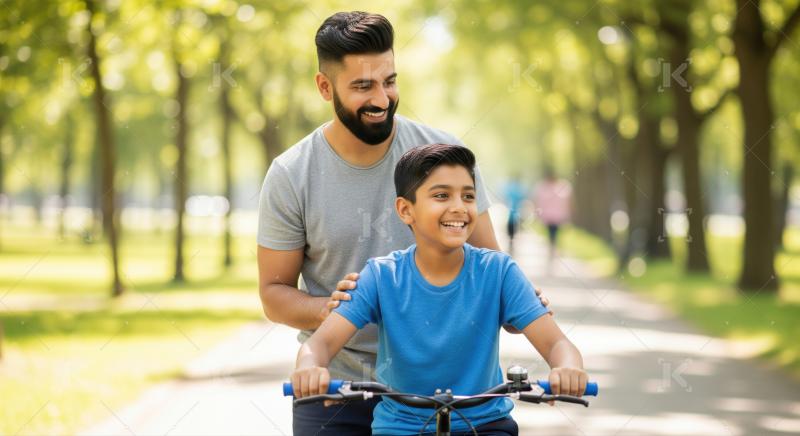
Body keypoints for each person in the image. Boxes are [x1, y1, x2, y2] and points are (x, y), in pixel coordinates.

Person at [257, 11, 549, 434]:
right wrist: (335, 311)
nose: (381, 98)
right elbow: (273, 293)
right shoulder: (291, 174)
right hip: (338, 386)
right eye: (362, 86)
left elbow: (486, 264)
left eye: (389, 81)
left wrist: (513, 302)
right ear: (325, 87)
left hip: (442, 391)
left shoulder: (444, 158)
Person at [290, 144, 588, 435]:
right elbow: (320, 345)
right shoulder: (381, 276)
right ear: (406, 210)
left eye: (468, 196)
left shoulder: (499, 272)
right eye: (442, 195)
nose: (458, 207)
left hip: (485, 425)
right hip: (400, 427)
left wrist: (567, 367)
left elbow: (556, 344)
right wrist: (310, 367)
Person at [534, 167, 572, 256]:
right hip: (549, 216)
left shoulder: (563, 185)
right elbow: (538, 201)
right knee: (552, 232)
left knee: (557, 232)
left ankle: (554, 247)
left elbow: (568, 201)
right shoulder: (543, 186)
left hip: (558, 216)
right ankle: (553, 248)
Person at [502, 174, 527, 254]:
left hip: (511, 213)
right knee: (514, 227)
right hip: (516, 212)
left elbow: (505, 197)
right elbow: (522, 198)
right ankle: (511, 241)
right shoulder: (519, 189)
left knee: (510, 227)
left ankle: (511, 241)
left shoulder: (510, 188)